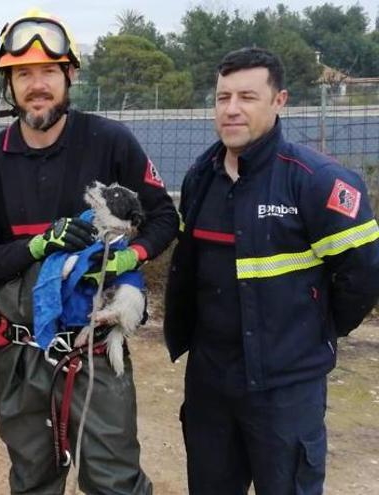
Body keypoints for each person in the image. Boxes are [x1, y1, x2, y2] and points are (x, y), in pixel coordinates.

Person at [0, 8, 178, 494]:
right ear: (9, 84)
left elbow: (165, 218)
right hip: (20, 353)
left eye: (48, 72)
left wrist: (129, 258)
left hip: (96, 350)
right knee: (33, 481)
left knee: (113, 482)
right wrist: (37, 246)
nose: (36, 85)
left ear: (70, 74)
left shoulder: (109, 142)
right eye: (22, 74)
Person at [164, 47, 379, 494]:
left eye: (247, 96)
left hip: (286, 388)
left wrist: (312, 335)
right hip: (210, 381)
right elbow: (189, 269)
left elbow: (361, 278)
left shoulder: (318, 181)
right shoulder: (200, 176)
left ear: (279, 101)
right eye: (223, 98)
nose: (232, 109)